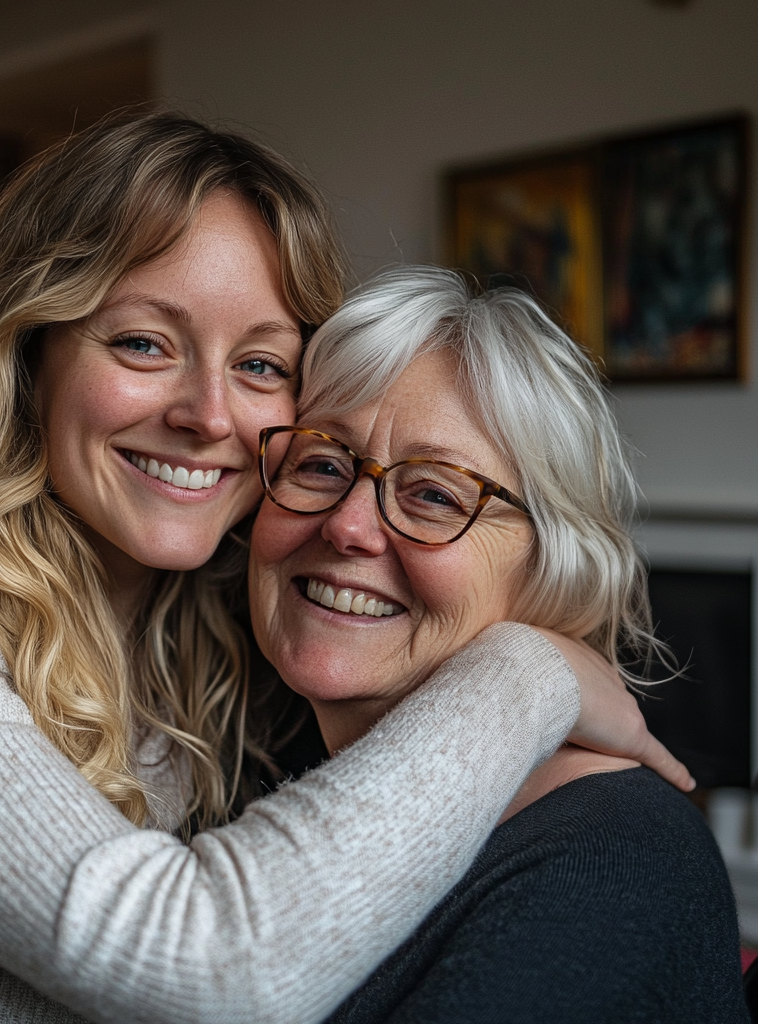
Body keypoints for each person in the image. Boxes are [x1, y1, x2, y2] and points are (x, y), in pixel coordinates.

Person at [0, 113, 687, 1023]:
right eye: (144, 343)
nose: (210, 415)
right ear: (24, 356)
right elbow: (204, 965)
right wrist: (532, 670)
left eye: (264, 366)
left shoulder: (251, 659)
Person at [248, 266, 747, 1023]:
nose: (348, 525)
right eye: (321, 464)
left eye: (435, 494)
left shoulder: (609, 864)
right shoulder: (253, 764)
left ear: (550, 564)